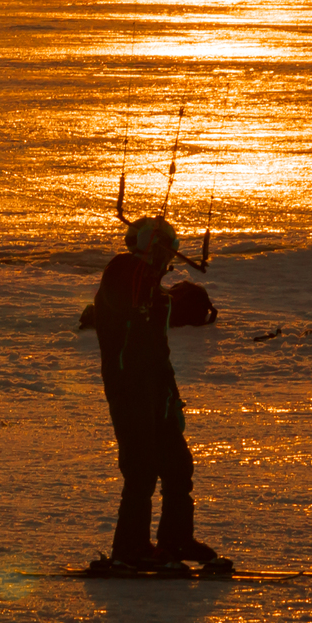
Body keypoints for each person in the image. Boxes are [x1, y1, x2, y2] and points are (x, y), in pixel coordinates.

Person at [87, 215, 223, 570]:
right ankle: (129, 549)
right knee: (141, 468)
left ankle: (175, 539)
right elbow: (129, 299)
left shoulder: (159, 295)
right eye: (161, 249)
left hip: (157, 390)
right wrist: (144, 269)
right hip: (128, 388)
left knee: (178, 466)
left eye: (171, 251)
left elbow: (160, 352)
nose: (167, 259)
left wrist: (172, 396)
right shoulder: (121, 272)